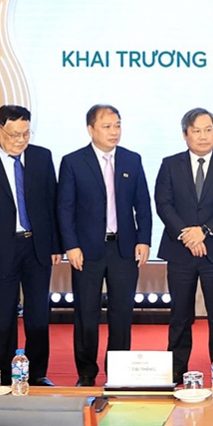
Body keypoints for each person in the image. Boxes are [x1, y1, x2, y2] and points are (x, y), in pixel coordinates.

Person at [0, 105, 61, 386]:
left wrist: (55, 245)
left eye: (26, 133)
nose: (21, 139)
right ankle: (6, 373)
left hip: (37, 248)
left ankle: (38, 372)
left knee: (38, 316)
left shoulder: (42, 158)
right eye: (14, 134)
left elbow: (51, 204)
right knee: (2, 317)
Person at [58, 104, 153, 386]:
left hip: (124, 249)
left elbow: (143, 205)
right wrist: (71, 245)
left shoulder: (132, 160)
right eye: (107, 126)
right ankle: (86, 372)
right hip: (86, 251)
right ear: (91, 129)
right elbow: (65, 208)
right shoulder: (73, 161)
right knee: (86, 313)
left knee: (121, 313)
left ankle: (119, 371)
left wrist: (144, 239)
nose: (114, 132)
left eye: (118, 126)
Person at [156, 108, 213, 386]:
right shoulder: (170, 164)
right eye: (197, 130)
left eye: (208, 130)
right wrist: (187, 235)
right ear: (185, 134)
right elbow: (163, 204)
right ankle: (176, 368)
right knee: (180, 314)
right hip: (179, 251)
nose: (204, 136)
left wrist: (203, 232)